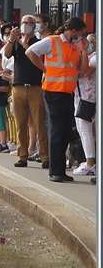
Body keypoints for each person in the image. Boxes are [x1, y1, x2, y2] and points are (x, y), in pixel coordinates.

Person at [26, 16, 88, 183]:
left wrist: (84, 51)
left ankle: (59, 169)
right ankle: (55, 170)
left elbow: (83, 69)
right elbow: (30, 52)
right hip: (53, 92)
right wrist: (44, 68)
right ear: (73, 31)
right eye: (81, 34)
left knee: (65, 131)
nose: (82, 37)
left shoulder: (74, 47)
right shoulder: (52, 41)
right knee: (57, 131)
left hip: (68, 92)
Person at [4, 15, 46, 168]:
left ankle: (44, 156)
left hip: (35, 86)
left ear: (34, 26)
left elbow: (37, 57)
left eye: (28, 23)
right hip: (18, 86)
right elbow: (7, 54)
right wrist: (11, 39)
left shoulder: (39, 43)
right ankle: (22, 156)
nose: (24, 25)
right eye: (23, 23)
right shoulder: (15, 42)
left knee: (39, 122)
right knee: (20, 123)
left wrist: (25, 44)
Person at [72, 33, 96, 177]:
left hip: (89, 97)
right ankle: (88, 160)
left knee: (86, 130)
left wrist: (84, 53)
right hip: (79, 95)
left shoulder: (95, 57)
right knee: (82, 130)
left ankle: (90, 162)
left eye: (91, 42)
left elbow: (85, 72)